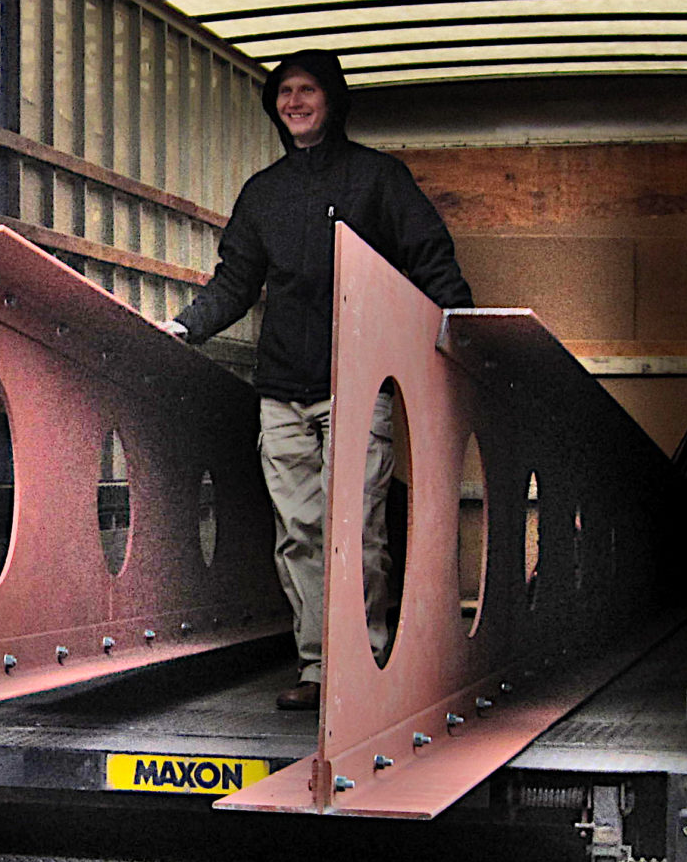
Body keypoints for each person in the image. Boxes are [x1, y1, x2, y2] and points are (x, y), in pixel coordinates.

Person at [157, 49, 472, 711]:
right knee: (299, 533)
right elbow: (236, 282)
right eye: (284, 93)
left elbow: (429, 257)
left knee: (355, 528)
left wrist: (459, 327)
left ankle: (369, 666)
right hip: (283, 392)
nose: (295, 101)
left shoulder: (379, 180)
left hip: (358, 384)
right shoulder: (262, 194)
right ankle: (320, 670)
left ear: (333, 100)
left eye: (308, 90)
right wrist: (186, 327)